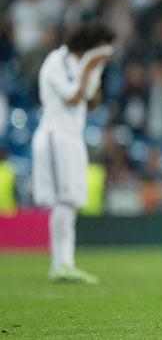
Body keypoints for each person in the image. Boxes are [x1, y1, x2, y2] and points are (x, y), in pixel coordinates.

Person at [32, 21, 115, 284]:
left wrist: (96, 71)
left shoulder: (84, 66)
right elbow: (73, 98)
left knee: (73, 200)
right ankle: (60, 264)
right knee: (64, 200)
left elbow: (92, 103)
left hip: (73, 137)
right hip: (56, 136)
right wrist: (89, 67)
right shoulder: (56, 61)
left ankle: (65, 262)